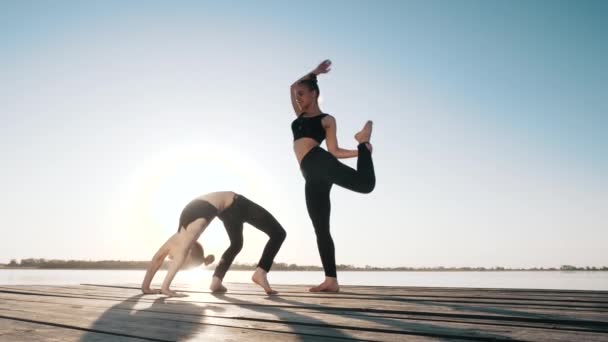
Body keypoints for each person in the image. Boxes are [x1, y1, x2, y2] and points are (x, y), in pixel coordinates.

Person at [290, 59, 376, 292]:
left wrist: (359, 153)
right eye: (297, 95)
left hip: (319, 162)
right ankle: (331, 280)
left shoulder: (327, 120)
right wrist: (315, 72)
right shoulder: (299, 118)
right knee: (320, 227)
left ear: (314, 94)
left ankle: (364, 141)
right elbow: (292, 86)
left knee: (366, 185)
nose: (298, 97)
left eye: (302, 94)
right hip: (311, 176)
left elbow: (334, 151)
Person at [141, 191, 286, 296]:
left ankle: (216, 281)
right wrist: (152, 287)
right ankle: (260, 272)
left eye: (184, 264)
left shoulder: (182, 238)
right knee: (278, 233)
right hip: (233, 204)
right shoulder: (181, 236)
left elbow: (161, 258)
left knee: (236, 244)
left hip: (228, 207)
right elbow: (160, 258)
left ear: (190, 252)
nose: (171, 259)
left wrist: (157, 287)